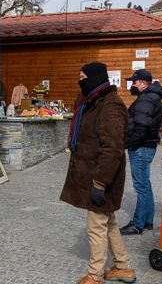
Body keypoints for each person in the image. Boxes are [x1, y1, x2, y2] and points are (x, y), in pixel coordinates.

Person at [60, 62, 136, 284]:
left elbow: (112, 150)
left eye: (83, 76)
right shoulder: (91, 102)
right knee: (109, 221)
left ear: (95, 78)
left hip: (102, 178)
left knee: (96, 226)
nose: (79, 80)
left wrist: (100, 183)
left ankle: (95, 274)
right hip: (91, 174)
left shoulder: (110, 106)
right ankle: (122, 267)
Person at [120, 69, 162, 235]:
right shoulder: (151, 97)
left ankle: (138, 224)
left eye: (134, 82)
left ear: (143, 84)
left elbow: (142, 126)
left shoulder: (146, 99)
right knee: (145, 184)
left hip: (141, 148)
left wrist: (131, 144)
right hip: (146, 146)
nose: (132, 85)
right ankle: (147, 221)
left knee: (141, 186)